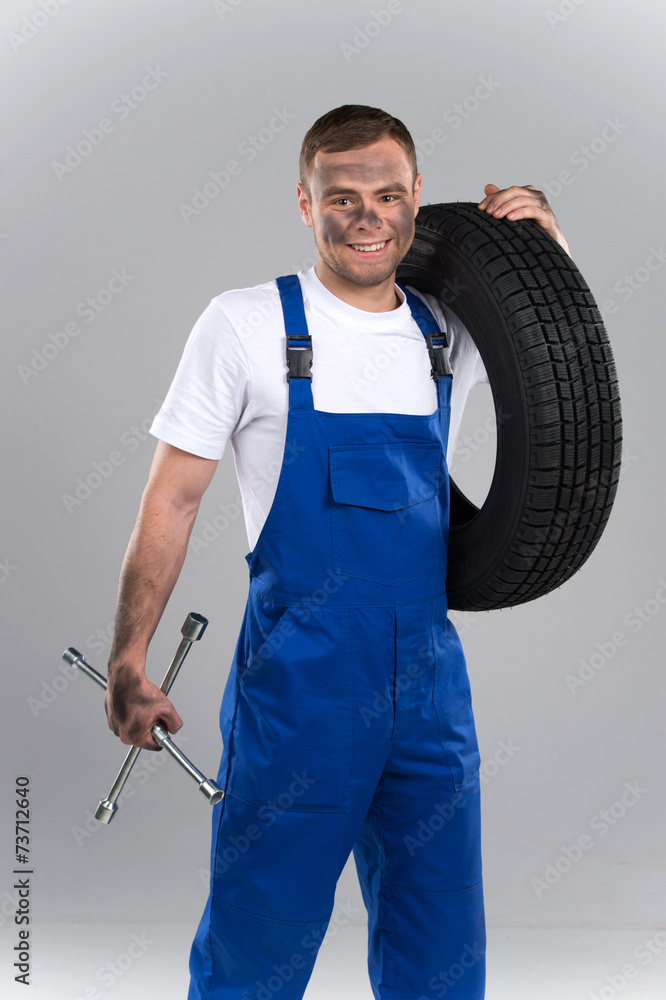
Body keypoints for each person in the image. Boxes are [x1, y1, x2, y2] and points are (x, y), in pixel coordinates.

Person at [104, 105, 572, 999]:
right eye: (344, 196)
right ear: (305, 200)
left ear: (417, 198)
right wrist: (130, 657)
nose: (369, 216)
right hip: (301, 688)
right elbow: (171, 498)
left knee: (441, 944)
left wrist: (542, 246)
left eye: (389, 195)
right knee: (258, 938)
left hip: (428, 687)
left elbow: (553, 356)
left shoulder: (445, 329)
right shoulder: (245, 325)